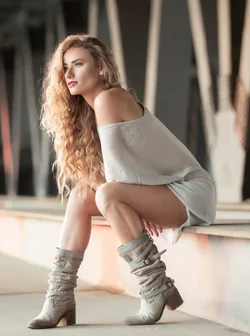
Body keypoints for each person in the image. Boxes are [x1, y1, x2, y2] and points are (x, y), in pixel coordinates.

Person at [27, 34, 216, 329]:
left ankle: (155, 286)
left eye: (78, 64)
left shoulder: (109, 99)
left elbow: (115, 178)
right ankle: (59, 295)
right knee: (80, 196)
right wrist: (135, 202)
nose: (69, 74)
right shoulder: (90, 111)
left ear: (101, 68)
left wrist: (134, 204)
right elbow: (94, 177)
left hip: (189, 192)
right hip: (160, 191)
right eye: (65, 68)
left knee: (108, 194)